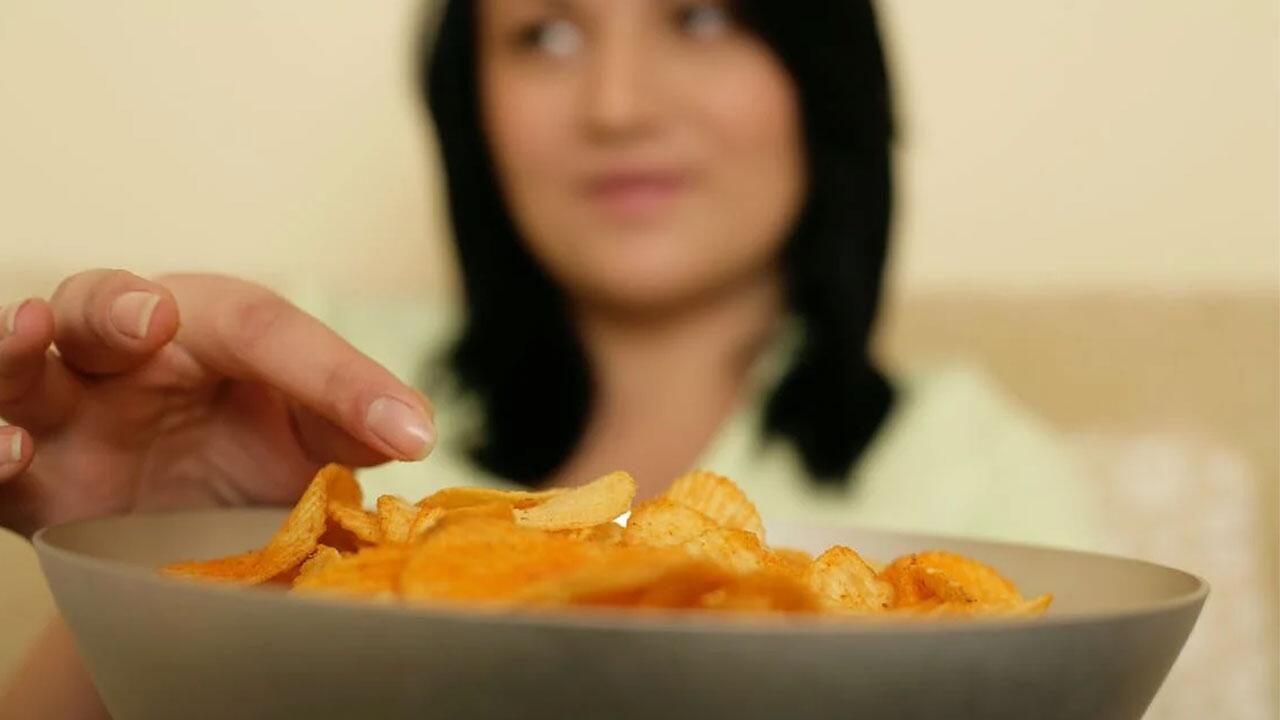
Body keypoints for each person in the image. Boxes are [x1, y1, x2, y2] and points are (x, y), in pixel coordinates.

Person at [0, 0, 1097, 715]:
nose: (616, 107)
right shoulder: (289, 397)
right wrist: (138, 567)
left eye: (702, 16)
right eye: (546, 35)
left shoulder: (981, 475)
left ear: (822, 72)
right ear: (470, 106)